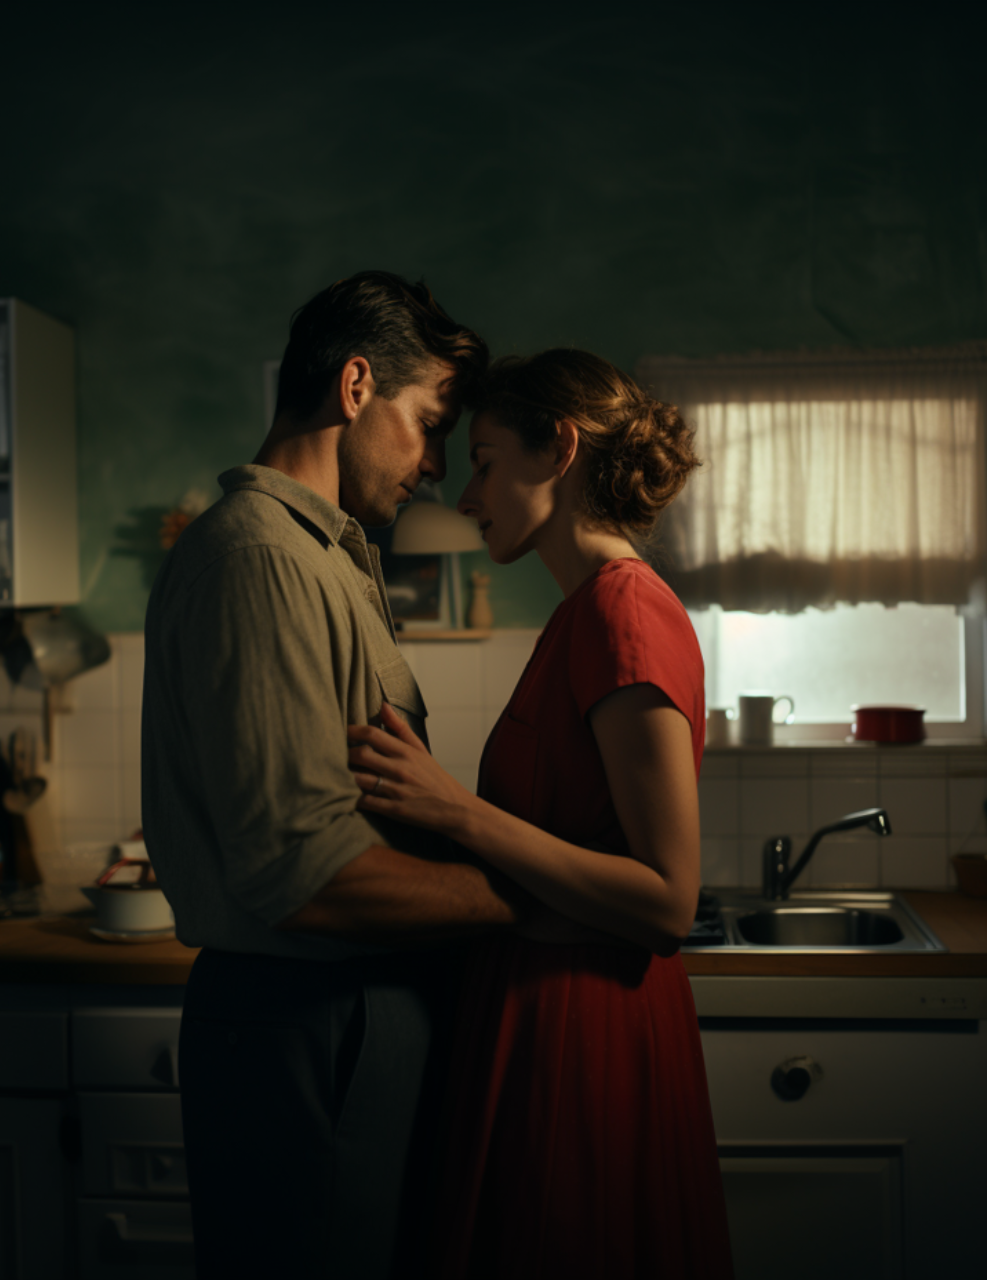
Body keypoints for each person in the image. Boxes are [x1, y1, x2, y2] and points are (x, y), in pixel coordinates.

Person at [140, 271, 531, 1280]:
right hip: (307, 1027)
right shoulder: (260, 558)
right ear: (357, 384)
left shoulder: (327, 558)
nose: (438, 467)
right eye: (430, 425)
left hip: (345, 1018)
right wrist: (518, 901)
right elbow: (304, 872)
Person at [346, 348, 735, 1278]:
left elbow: (667, 902)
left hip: (583, 1037)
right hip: (537, 1019)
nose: (467, 493)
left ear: (558, 449)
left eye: (482, 461)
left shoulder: (624, 613)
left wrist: (455, 812)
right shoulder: (582, 612)